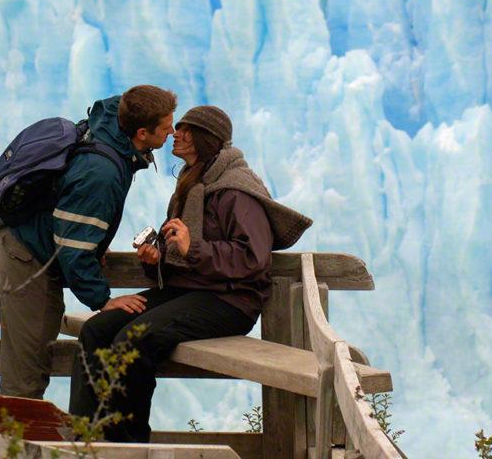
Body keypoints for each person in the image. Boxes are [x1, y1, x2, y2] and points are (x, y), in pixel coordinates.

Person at [68, 105, 312, 442]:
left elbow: (252, 258)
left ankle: (128, 445)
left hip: (229, 301)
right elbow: (182, 255)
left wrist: (191, 248)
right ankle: (86, 438)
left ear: (204, 139)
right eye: (176, 127)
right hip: (186, 293)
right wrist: (156, 259)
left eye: (185, 130)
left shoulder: (237, 190)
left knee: (134, 340)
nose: (175, 134)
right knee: (96, 331)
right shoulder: (192, 183)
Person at [0, 85, 177, 398]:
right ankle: (19, 436)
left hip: (6, 236)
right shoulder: (101, 172)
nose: (172, 132)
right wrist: (102, 299)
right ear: (142, 133)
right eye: (166, 127)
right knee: (27, 364)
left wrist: (93, 246)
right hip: (31, 260)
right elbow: (72, 245)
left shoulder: (108, 124)